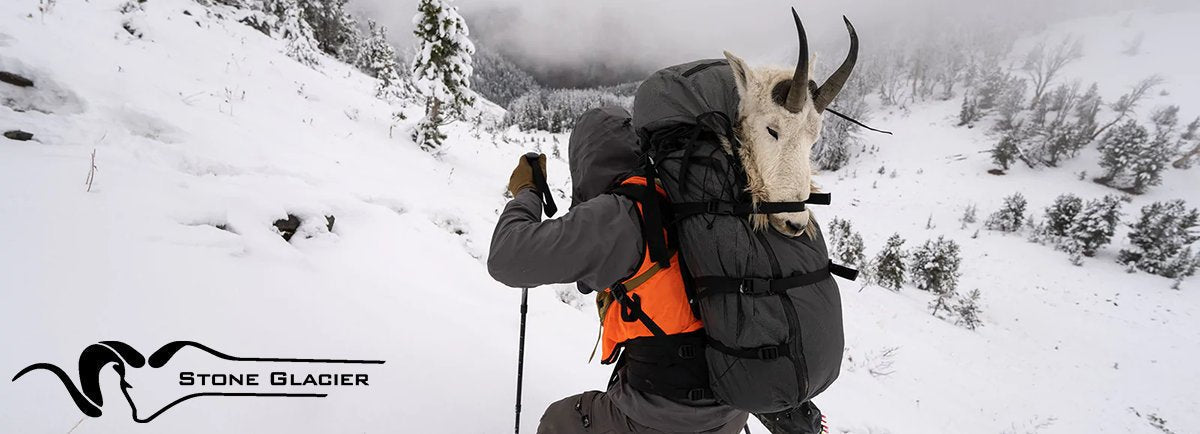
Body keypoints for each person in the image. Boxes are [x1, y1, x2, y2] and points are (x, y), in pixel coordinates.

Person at [488, 107, 826, 434]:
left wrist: (527, 192)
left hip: (665, 413)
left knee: (557, 421)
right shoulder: (696, 202)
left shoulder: (620, 214)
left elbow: (508, 259)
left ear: (587, 161)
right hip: (731, 403)